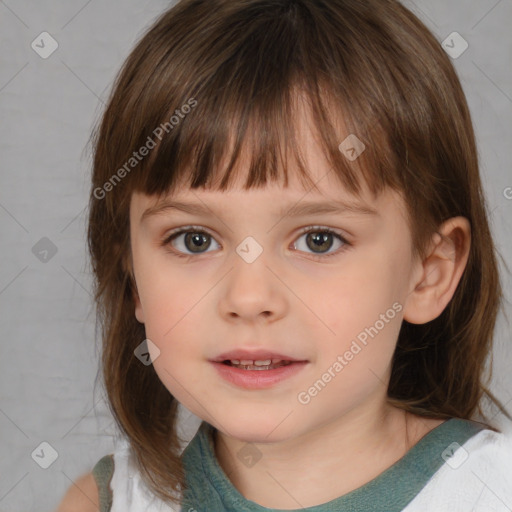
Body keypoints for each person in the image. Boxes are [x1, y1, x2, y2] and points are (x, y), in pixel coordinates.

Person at [57, 0, 512, 510]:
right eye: (194, 239)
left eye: (319, 239)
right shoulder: (107, 502)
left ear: (429, 273)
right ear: (133, 275)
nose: (250, 298)